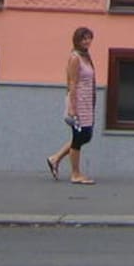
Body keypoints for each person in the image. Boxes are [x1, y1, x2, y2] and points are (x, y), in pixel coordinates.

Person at [46, 26, 96, 184]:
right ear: (77, 40)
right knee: (78, 137)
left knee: (85, 135)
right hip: (78, 102)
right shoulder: (75, 58)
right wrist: (72, 107)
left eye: (89, 38)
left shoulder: (86, 56)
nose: (87, 41)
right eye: (84, 38)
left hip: (86, 102)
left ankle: (55, 158)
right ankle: (75, 174)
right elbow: (72, 83)